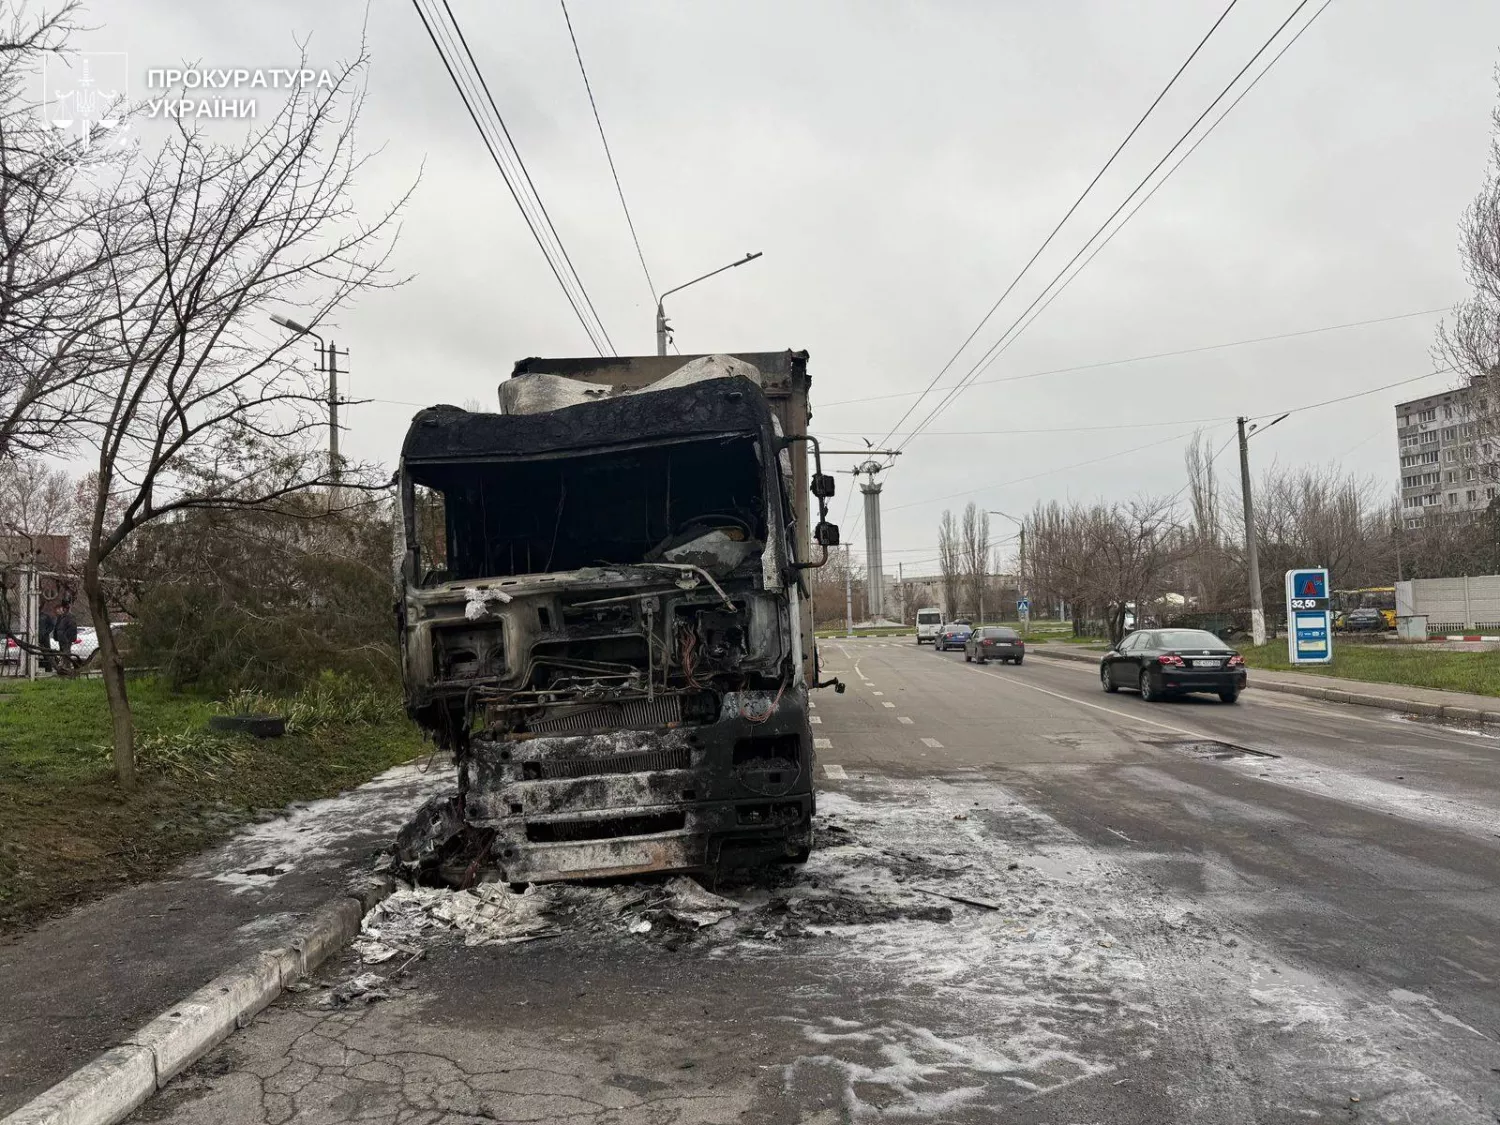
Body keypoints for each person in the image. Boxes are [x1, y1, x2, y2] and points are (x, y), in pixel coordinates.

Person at [53, 602, 78, 667]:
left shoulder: (70, 617)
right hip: (61, 638)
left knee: (66, 652)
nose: (57, 610)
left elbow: (72, 628)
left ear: (64, 609)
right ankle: (63, 665)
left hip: (66, 639)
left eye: (59, 609)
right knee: (62, 652)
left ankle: (66, 666)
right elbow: (57, 627)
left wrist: (66, 637)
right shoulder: (60, 617)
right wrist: (57, 636)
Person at [36, 601, 56, 672]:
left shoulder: (45, 616)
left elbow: (52, 625)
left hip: (44, 637)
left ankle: (48, 668)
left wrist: (46, 632)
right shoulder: (33, 615)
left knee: (47, 652)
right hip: (35, 636)